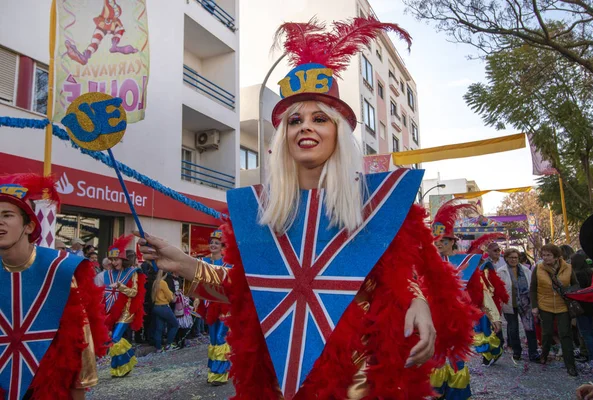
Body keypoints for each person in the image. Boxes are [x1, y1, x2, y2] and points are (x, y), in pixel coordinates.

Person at [138, 17, 478, 399]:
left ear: (337, 131)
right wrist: (185, 263)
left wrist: (417, 298)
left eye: (320, 118)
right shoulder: (260, 211)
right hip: (286, 369)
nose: (306, 128)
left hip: (363, 375)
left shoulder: (373, 201)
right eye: (294, 120)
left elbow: (393, 271)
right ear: (284, 137)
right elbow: (255, 291)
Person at [0, 173, 108, 399]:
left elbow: (77, 342)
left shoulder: (62, 268)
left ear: (29, 226)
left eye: (7, 215)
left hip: (48, 388)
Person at [429, 201, 496, 399]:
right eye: (436, 240)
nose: (439, 243)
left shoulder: (466, 263)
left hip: (457, 324)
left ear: (452, 241)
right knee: (435, 366)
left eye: (443, 240)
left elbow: (480, 292)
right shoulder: (426, 264)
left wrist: (493, 316)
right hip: (433, 323)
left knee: (457, 365)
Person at [531, 243, 579, 376]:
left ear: (557, 257)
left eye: (548, 255)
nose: (545, 258)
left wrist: (568, 290)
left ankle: (570, 365)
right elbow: (533, 288)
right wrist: (534, 306)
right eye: (543, 255)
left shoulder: (568, 267)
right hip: (545, 305)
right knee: (546, 333)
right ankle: (544, 355)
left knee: (565, 334)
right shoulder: (538, 268)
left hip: (562, 305)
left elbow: (576, 284)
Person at [103, 234, 146, 377]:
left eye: (116, 259)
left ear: (123, 258)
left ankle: (123, 366)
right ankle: (121, 367)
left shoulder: (132, 272)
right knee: (112, 340)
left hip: (127, 311)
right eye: (112, 260)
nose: (114, 262)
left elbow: (134, 292)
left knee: (115, 338)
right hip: (112, 310)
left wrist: (120, 286)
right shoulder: (108, 274)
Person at [197, 230, 232, 385]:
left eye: (216, 243)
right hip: (209, 306)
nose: (213, 245)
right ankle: (213, 371)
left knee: (220, 338)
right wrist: (197, 299)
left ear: (222, 246)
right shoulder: (204, 262)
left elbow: (234, 286)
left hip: (225, 307)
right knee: (212, 339)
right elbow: (199, 283)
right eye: (211, 242)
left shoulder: (229, 264)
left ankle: (220, 374)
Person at [496, 248, 540, 363]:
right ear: (506, 258)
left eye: (515, 257)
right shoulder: (501, 271)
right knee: (513, 328)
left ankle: (533, 352)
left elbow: (532, 287)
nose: (513, 260)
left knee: (530, 328)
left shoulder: (526, 270)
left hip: (525, 304)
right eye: (511, 258)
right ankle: (517, 351)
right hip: (510, 304)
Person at [570, 253, 593, 362]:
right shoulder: (590, 272)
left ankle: (592, 358)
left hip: (581, 307)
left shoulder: (577, 274)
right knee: (591, 332)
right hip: (592, 306)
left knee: (586, 333)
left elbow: (577, 291)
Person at [151, 270, 179, 352]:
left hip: (156, 306)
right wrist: (174, 294)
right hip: (163, 306)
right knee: (175, 324)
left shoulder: (155, 282)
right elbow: (170, 297)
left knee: (159, 328)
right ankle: (168, 345)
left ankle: (158, 348)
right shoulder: (163, 283)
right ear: (165, 274)